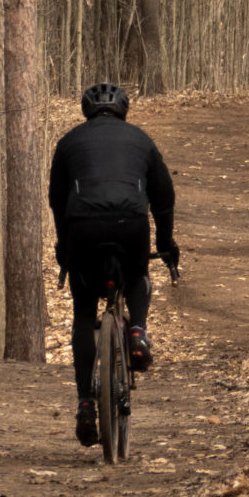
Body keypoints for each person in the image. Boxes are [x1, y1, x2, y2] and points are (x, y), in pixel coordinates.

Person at [48, 82, 180, 448]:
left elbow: (57, 201)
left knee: (83, 313)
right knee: (138, 274)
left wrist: (65, 246)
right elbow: (164, 197)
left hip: (82, 228)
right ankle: (137, 330)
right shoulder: (141, 140)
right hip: (130, 225)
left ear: (85, 111)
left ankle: (87, 404)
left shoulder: (69, 142)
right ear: (124, 110)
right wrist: (165, 245)